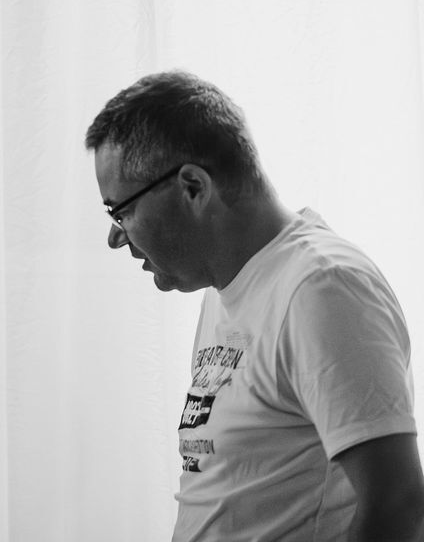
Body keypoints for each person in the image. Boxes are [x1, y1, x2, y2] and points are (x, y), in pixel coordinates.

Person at [87, 71, 423, 541]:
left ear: (192, 187)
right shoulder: (228, 285)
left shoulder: (322, 288)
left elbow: (400, 505)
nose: (115, 236)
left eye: (120, 210)